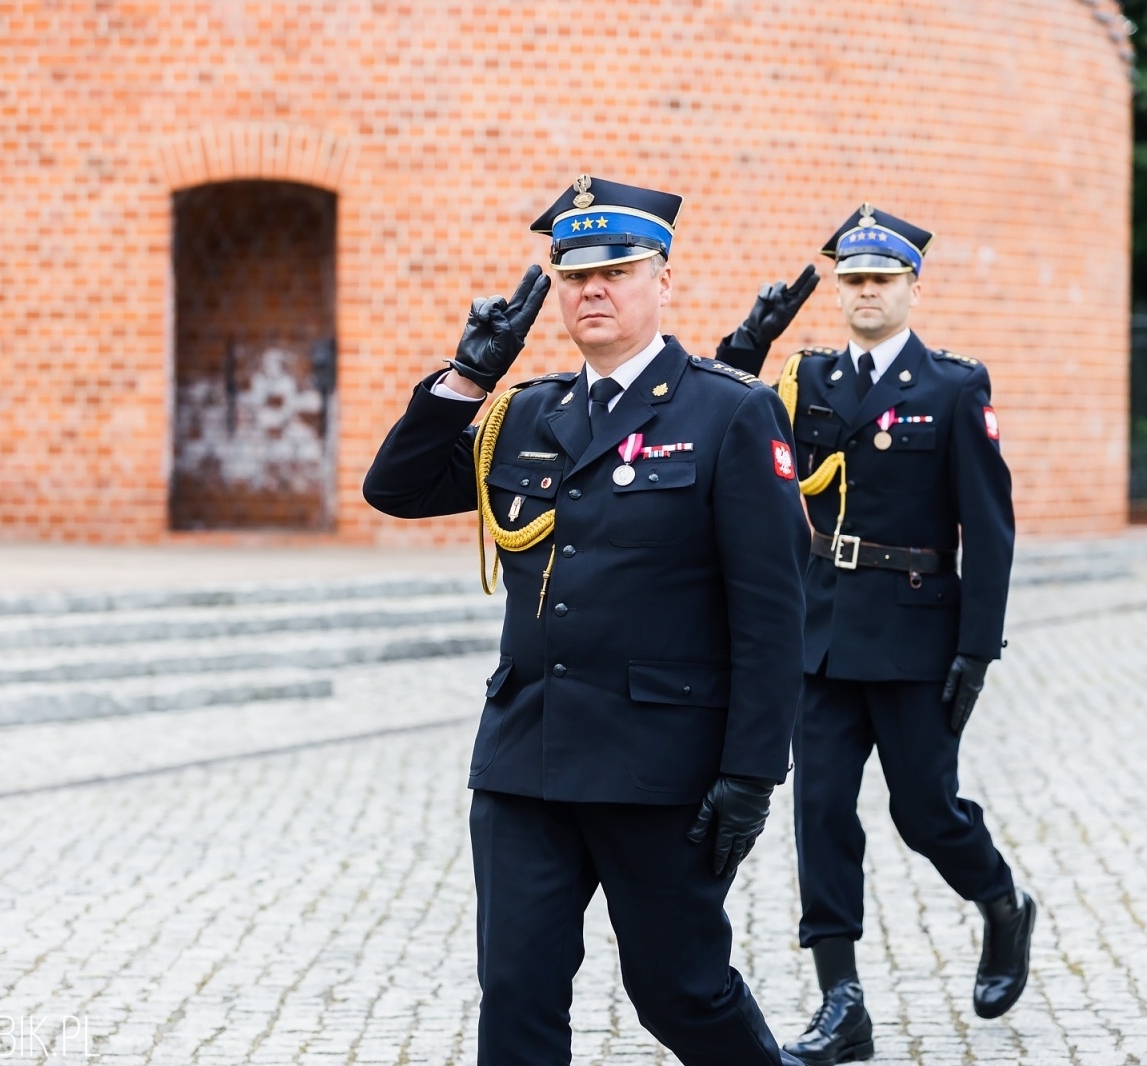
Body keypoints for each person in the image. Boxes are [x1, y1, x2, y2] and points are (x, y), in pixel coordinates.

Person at [363, 175, 811, 1066]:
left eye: (616, 270)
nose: (591, 290)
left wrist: (752, 773)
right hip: (526, 760)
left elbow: (771, 614)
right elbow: (397, 488)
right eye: (573, 275)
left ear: (662, 281)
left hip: (658, 768)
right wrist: (467, 377)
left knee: (679, 992)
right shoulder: (526, 411)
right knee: (518, 994)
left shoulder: (728, 411)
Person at [717, 204, 1035, 1064]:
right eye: (852, 280)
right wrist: (748, 341)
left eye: (880, 281)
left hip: (915, 630)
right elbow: (722, 411)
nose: (864, 293)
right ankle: (841, 1002)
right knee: (819, 812)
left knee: (924, 810)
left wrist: (978, 646)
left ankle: (1002, 903)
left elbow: (990, 528)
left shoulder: (951, 387)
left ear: (911, 288)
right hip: (820, 633)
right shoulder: (807, 381)